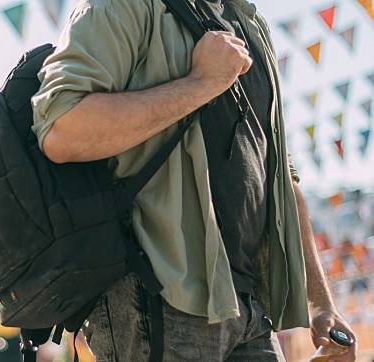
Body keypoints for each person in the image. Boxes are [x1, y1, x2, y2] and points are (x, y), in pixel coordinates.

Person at [30, 0, 358, 360]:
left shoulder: (248, 22)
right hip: (159, 297)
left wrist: (321, 303)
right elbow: (61, 130)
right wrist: (201, 83)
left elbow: (280, 178)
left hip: (245, 302)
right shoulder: (124, 6)